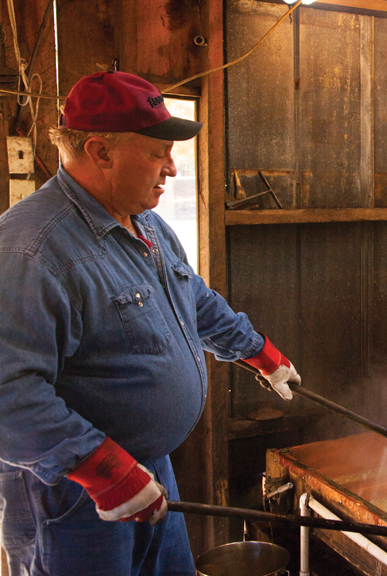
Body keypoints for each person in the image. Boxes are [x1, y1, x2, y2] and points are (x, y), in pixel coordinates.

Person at [0, 70, 300, 576]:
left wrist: (257, 351)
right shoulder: (30, 251)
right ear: (100, 152)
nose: (172, 169)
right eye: (157, 152)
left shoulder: (144, 220)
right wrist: (101, 470)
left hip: (147, 468)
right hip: (74, 493)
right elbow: (8, 393)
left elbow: (193, 300)